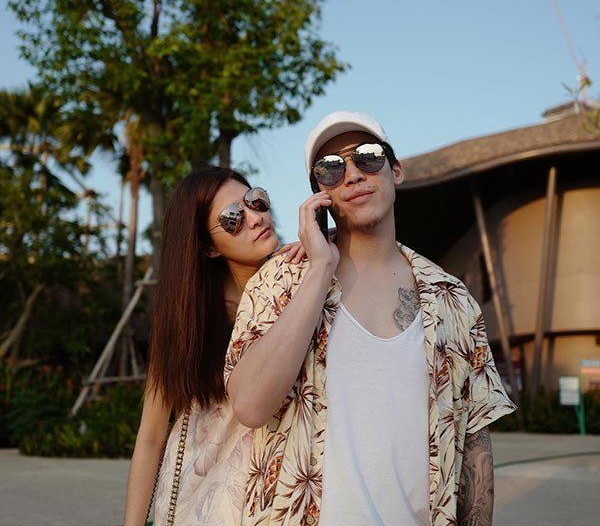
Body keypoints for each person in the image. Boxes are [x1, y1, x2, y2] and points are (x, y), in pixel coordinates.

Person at [225, 111, 517, 526]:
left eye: (368, 155)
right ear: (319, 193)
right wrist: (320, 269)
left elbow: (475, 445)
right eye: (330, 168)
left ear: (395, 170)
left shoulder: (453, 299)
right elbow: (250, 406)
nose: (352, 174)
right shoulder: (281, 280)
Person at [124, 167, 306, 526]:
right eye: (233, 218)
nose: (255, 218)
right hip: (198, 505)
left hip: (278, 504)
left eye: (256, 201)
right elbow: (151, 436)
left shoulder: (301, 289)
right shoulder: (187, 322)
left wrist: (323, 251)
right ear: (207, 247)